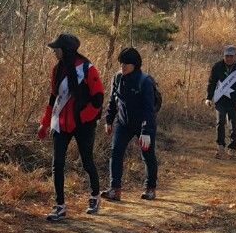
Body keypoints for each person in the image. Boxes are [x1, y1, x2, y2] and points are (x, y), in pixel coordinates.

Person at [37, 33, 104, 221]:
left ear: (65, 50)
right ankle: (60, 206)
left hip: (83, 125)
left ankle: (94, 196)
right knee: (57, 163)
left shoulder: (87, 68)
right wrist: (44, 123)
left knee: (86, 162)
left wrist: (83, 117)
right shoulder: (56, 70)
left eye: (56, 49)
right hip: (61, 124)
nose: (54, 52)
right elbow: (53, 98)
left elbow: (98, 98)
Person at [101, 47, 158, 202]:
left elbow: (149, 108)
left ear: (135, 64)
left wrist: (146, 130)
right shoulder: (117, 78)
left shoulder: (145, 81)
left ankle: (150, 188)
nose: (122, 66)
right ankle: (115, 189)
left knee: (147, 156)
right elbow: (113, 100)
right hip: (123, 122)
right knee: (116, 153)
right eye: (121, 63)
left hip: (143, 125)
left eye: (126, 63)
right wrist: (108, 120)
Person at [206, 45, 236, 158]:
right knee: (220, 121)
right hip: (220, 99)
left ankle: (232, 148)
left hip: (235, 100)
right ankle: (220, 145)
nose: (229, 58)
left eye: (231, 56)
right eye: (226, 56)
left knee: (232, 123)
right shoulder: (217, 67)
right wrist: (209, 97)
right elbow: (212, 82)